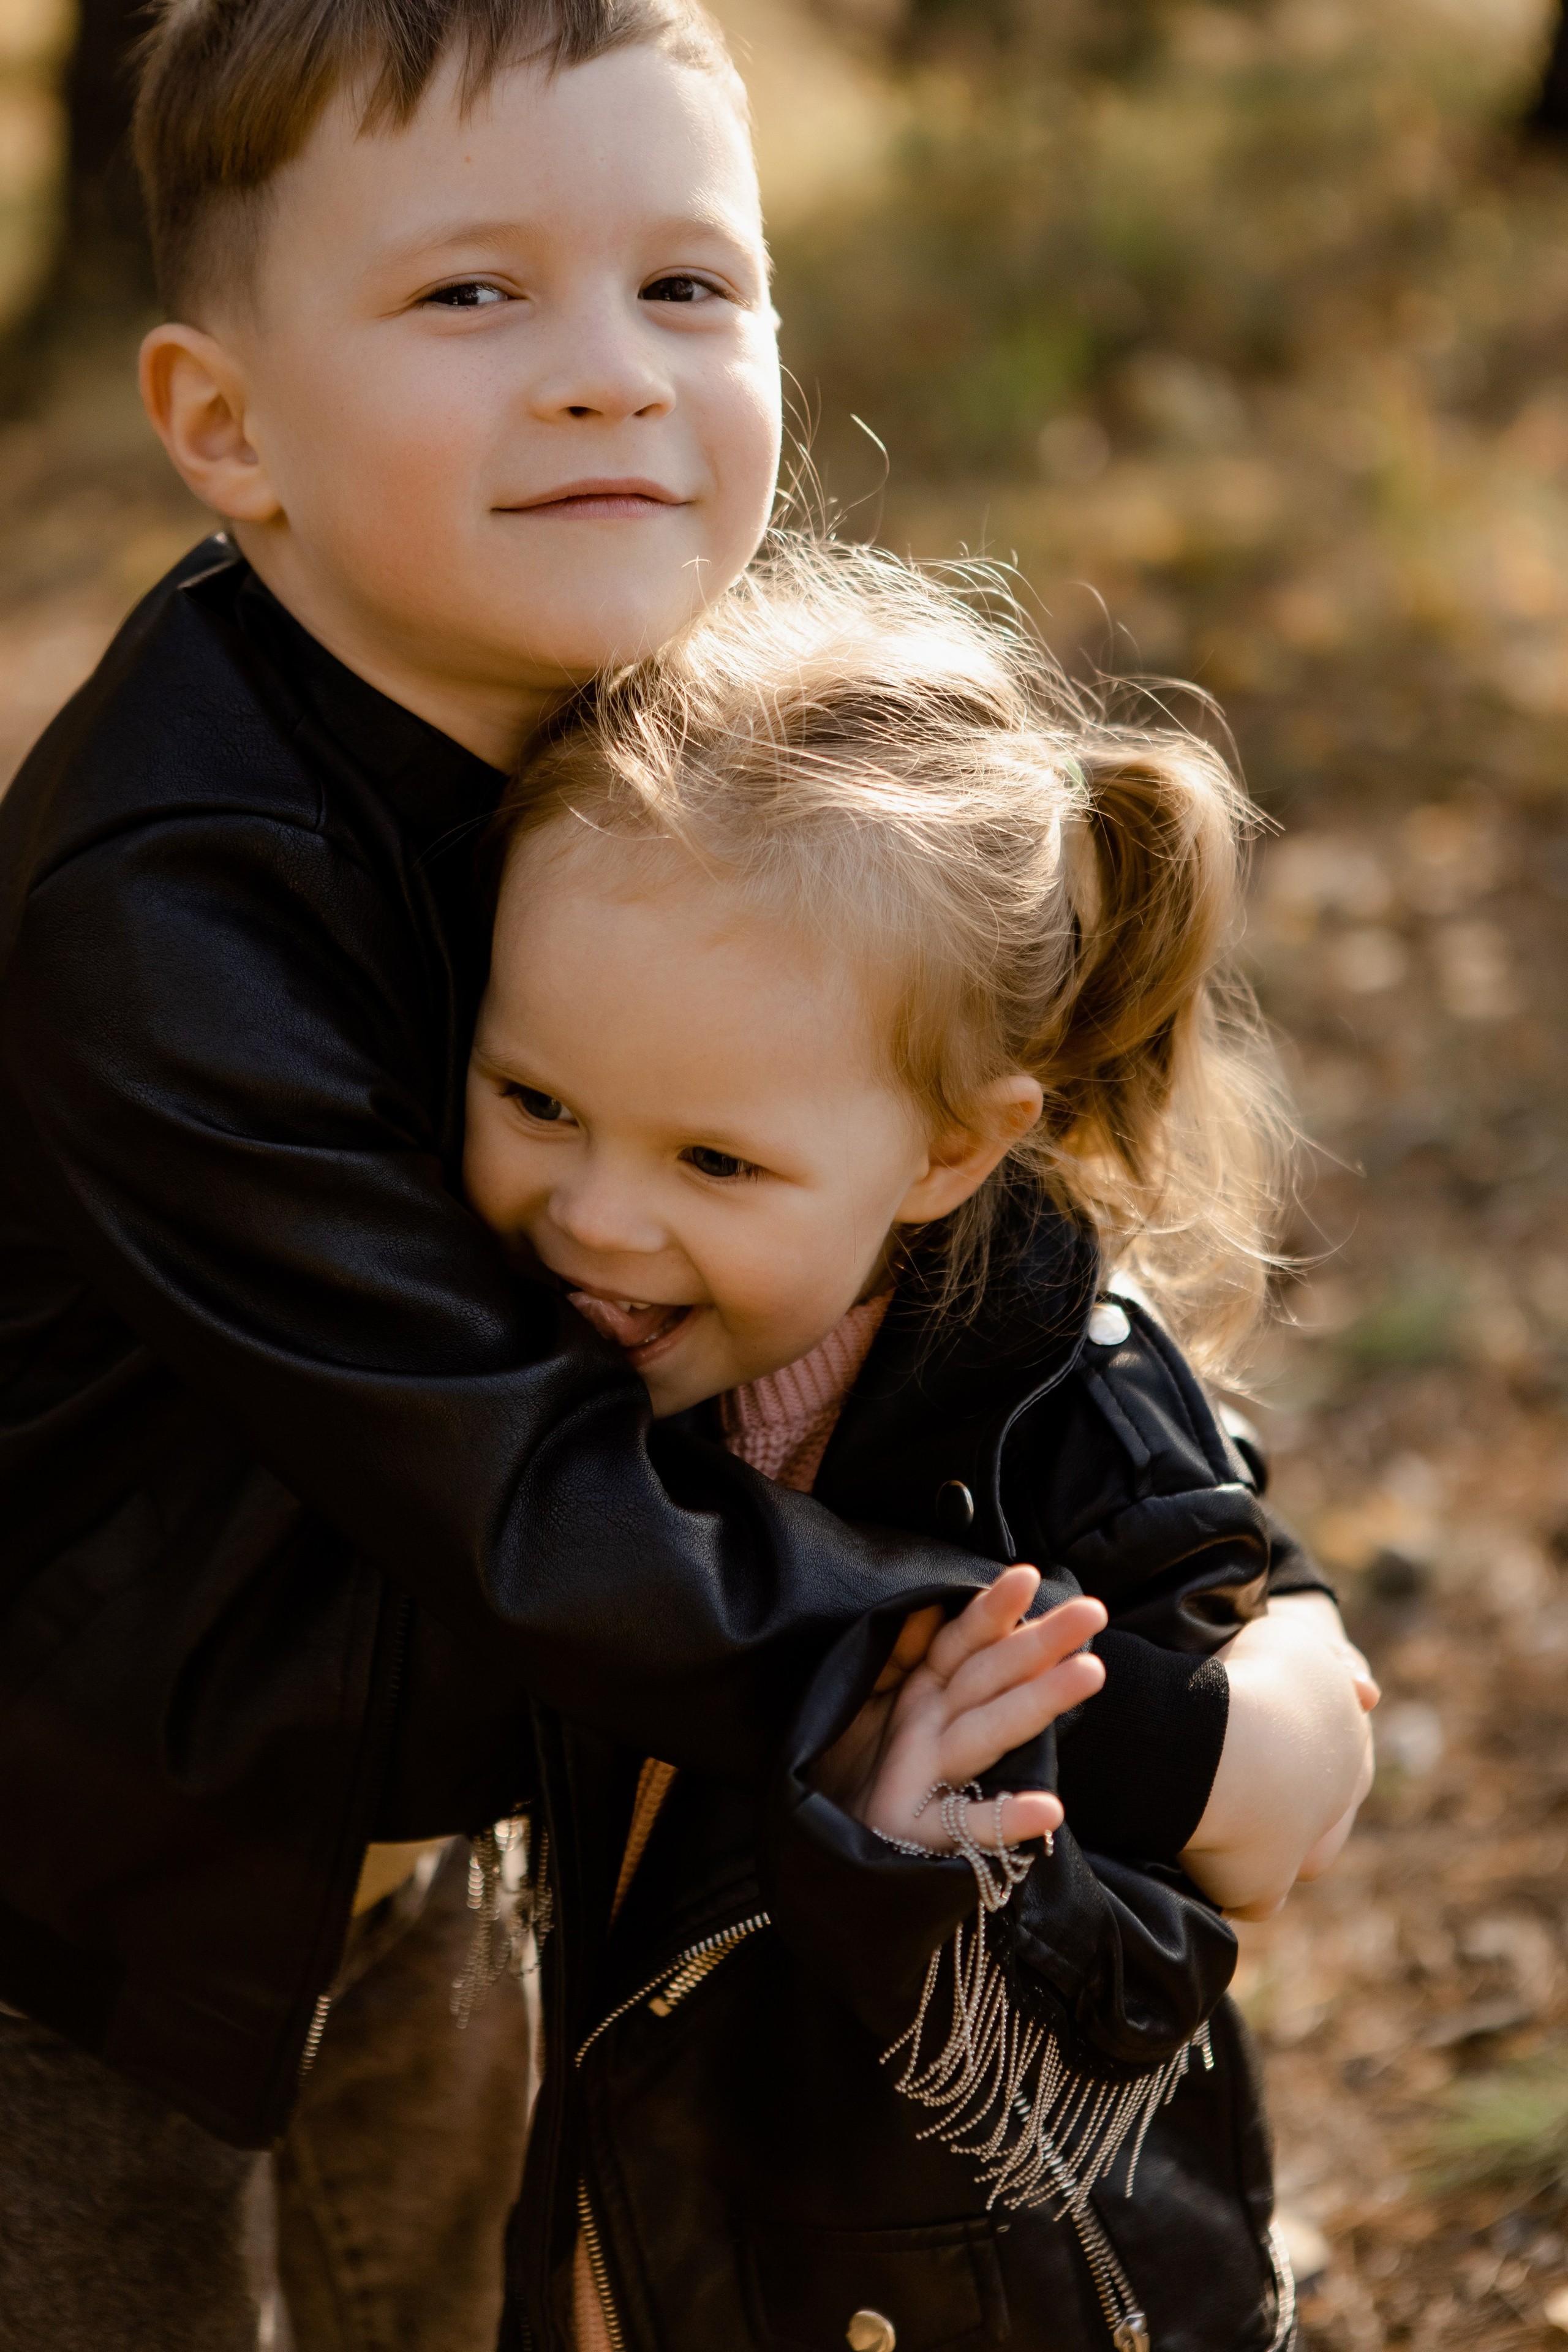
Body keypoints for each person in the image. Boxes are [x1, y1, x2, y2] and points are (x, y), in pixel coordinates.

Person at [0, 0, 1368, 2342]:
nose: (612, 374)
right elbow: (524, 1492)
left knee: (429, 2287)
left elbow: (930, 1201)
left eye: (688, 286)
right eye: (471, 291)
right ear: (226, 427)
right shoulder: (169, 909)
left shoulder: (617, 710)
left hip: (426, 1819)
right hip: (78, 1883)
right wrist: (1130, 1734)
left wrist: (1236, 1576)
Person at [462, 536, 1379, 2351]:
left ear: (954, 1150)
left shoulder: (1068, 1433)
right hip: (630, 2240)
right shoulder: (516, 1345)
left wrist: (932, 1867)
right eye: (534, 1099)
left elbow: (1197, 1925)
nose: (595, 1216)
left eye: (715, 1161)